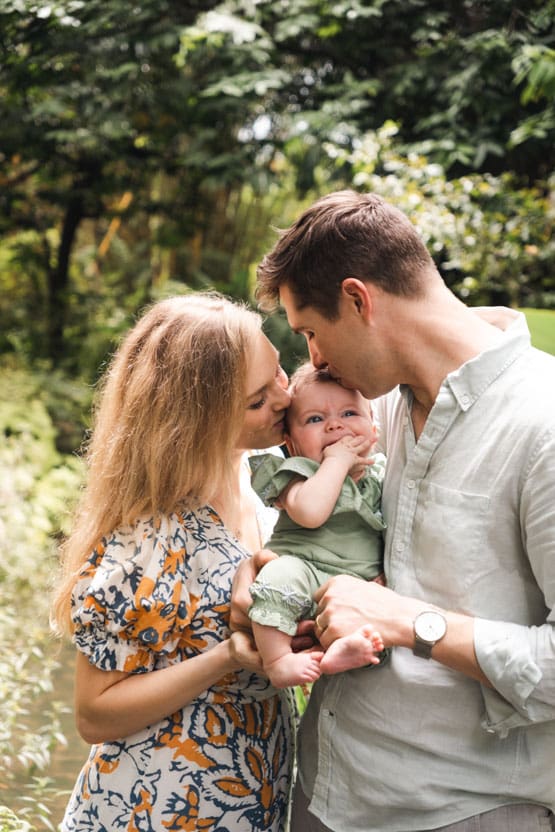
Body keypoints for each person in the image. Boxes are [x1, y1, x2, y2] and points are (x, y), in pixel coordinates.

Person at [232, 189, 555, 832]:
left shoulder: (541, 422)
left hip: (462, 808)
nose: (312, 363)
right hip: (325, 788)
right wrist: (270, 575)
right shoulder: (366, 412)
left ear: (359, 300)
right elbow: (317, 536)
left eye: (311, 334)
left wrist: (414, 622)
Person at [50, 293, 296, 832]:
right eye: (257, 401)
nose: (284, 395)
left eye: (280, 370)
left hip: (242, 797)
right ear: (198, 423)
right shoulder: (152, 538)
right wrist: (227, 657)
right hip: (158, 808)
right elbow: (94, 714)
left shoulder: (262, 474)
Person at [248, 362, 387, 688]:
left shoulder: (381, 475)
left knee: (372, 613)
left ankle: (340, 649)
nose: (335, 426)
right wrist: (337, 463)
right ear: (292, 444)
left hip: (357, 582)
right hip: (303, 570)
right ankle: (278, 659)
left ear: (374, 431)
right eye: (315, 419)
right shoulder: (297, 473)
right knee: (278, 575)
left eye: (350, 414)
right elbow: (310, 512)